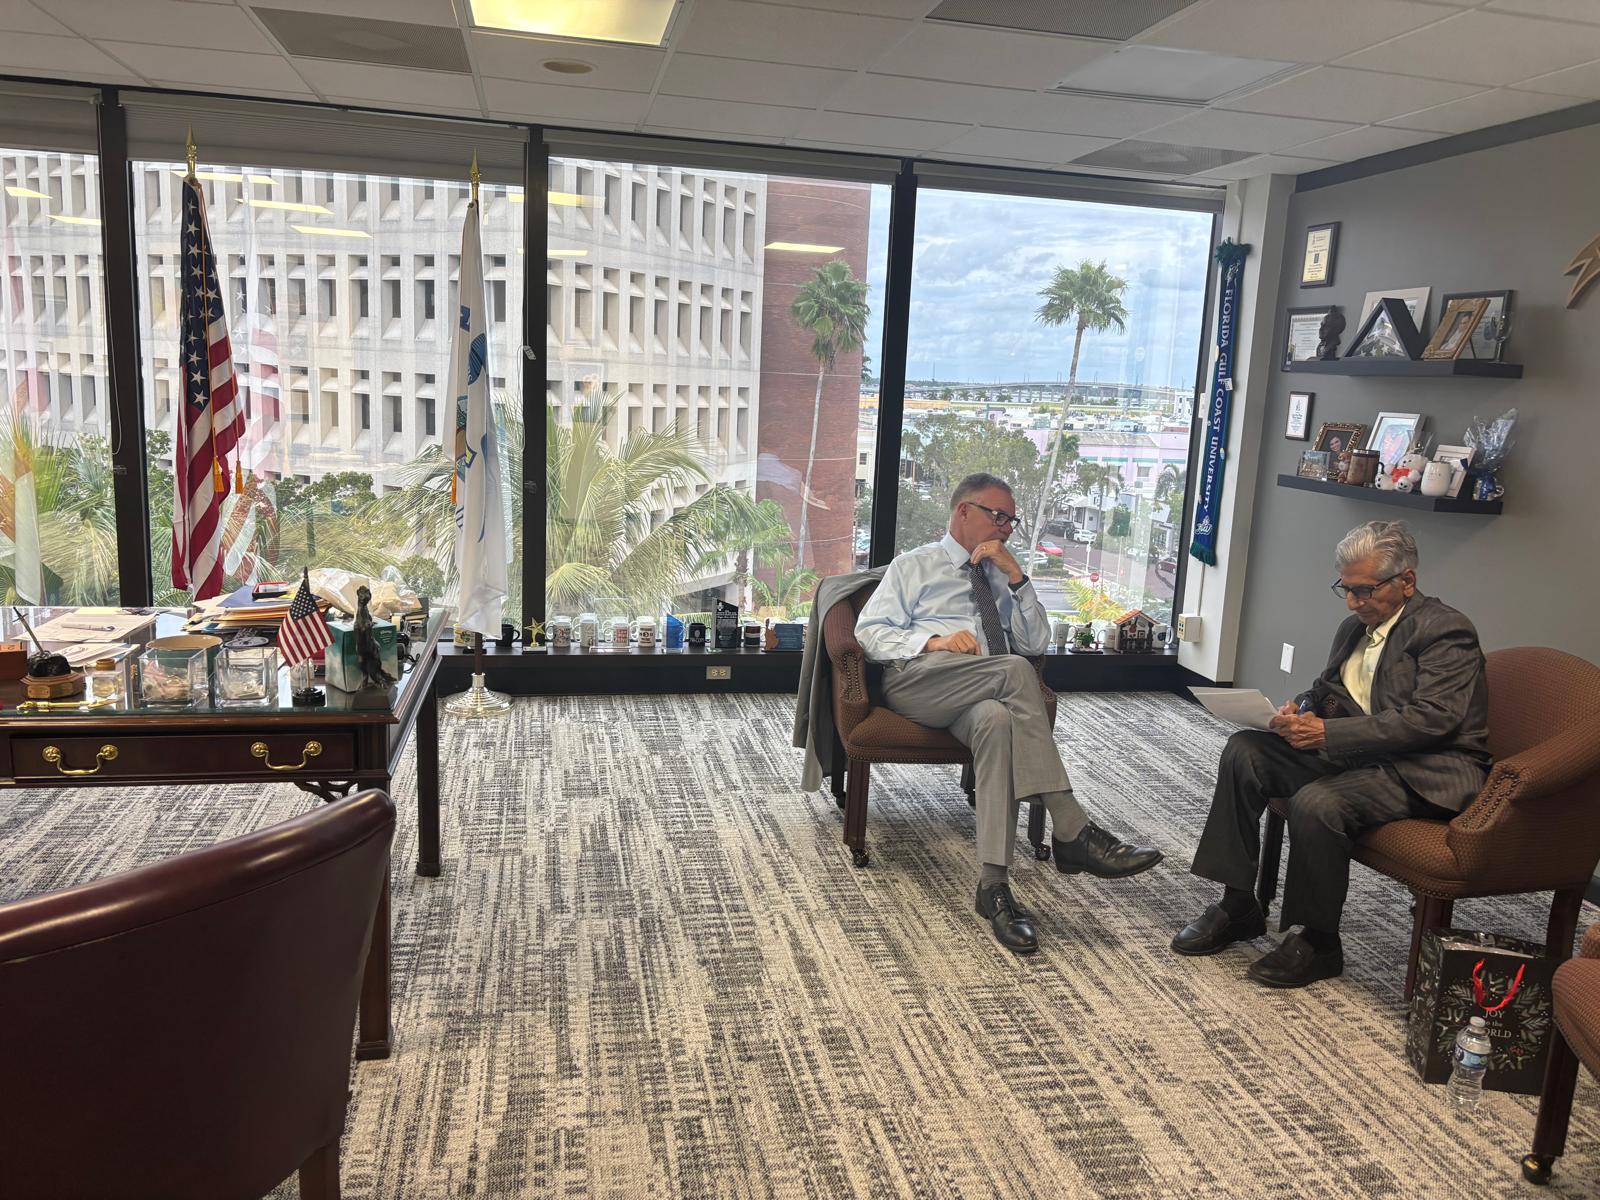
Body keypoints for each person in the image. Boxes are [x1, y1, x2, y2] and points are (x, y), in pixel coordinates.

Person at [1171, 520, 1490, 987]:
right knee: (1245, 752)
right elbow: (1327, 690)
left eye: (1364, 590)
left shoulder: (1445, 630)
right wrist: (1301, 711)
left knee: (1318, 802)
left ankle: (1319, 941)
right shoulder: (1354, 628)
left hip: (1424, 769)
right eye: (1346, 588)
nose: (1353, 602)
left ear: (1407, 581)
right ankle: (1238, 904)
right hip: (1360, 754)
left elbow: (1432, 719)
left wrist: (1328, 734)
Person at [856, 472, 1162, 955]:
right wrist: (934, 641)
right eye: (997, 516)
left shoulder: (1001, 573)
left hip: (985, 690)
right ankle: (1072, 828)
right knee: (1016, 671)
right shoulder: (915, 565)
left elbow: (1035, 643)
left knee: (997, 721)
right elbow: (869, 633)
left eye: (1011, 521)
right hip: (920, 682)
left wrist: (1017, 578)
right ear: (963, 511)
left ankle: (993, 887)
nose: (1005, 528)